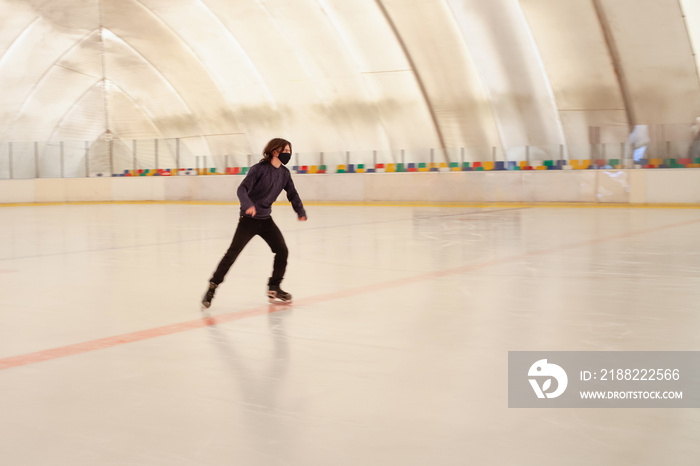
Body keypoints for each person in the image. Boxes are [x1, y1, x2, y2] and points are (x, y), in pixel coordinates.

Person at [202, 138, 307, 309]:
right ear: (275, 151)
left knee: (282, 250)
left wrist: (300, 211)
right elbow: (242, 189)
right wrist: (247, 204)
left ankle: (274, 287)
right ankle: (213, 286)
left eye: (289, 150)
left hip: (266, 220)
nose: (288, 153)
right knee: (232, 254)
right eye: (285, 150)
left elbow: (292, 194)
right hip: (248, 221)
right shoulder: (259, 169)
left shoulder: (284, 174)